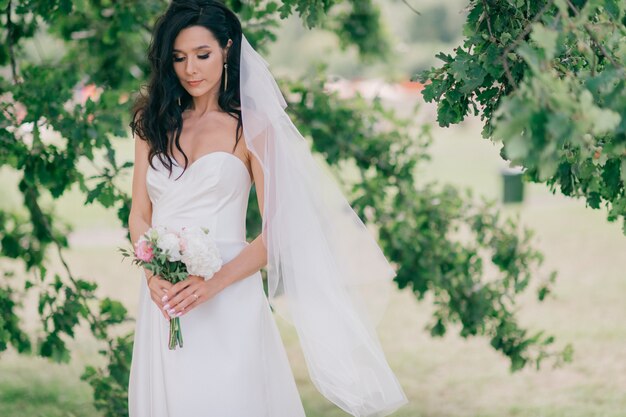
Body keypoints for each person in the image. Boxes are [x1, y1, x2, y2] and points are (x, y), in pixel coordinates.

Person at [127, 1, 407, 416]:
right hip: (165, 302)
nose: (190, 70)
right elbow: (139, 215)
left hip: (228, 295)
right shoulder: (152, 123)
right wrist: (153, 276)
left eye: (203, 55)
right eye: (179, 58)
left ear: (226, 49)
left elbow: (279, 228)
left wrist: (212, 284)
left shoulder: (251, 125)